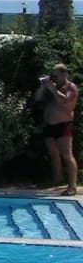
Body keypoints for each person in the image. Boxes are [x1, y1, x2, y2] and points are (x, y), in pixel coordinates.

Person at [35, 63, 79, 195]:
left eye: (56, 76)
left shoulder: (71, 87)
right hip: (49, 125)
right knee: (53, 154)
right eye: (52, 76)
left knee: (67, 155)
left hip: (63, 125)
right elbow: (37, 98)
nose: (53, 78)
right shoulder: (52, 86)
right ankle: (56, 180)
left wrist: (53, 89)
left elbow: (65, 101)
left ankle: (72, 186)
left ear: (64, 74)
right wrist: (43, 86)